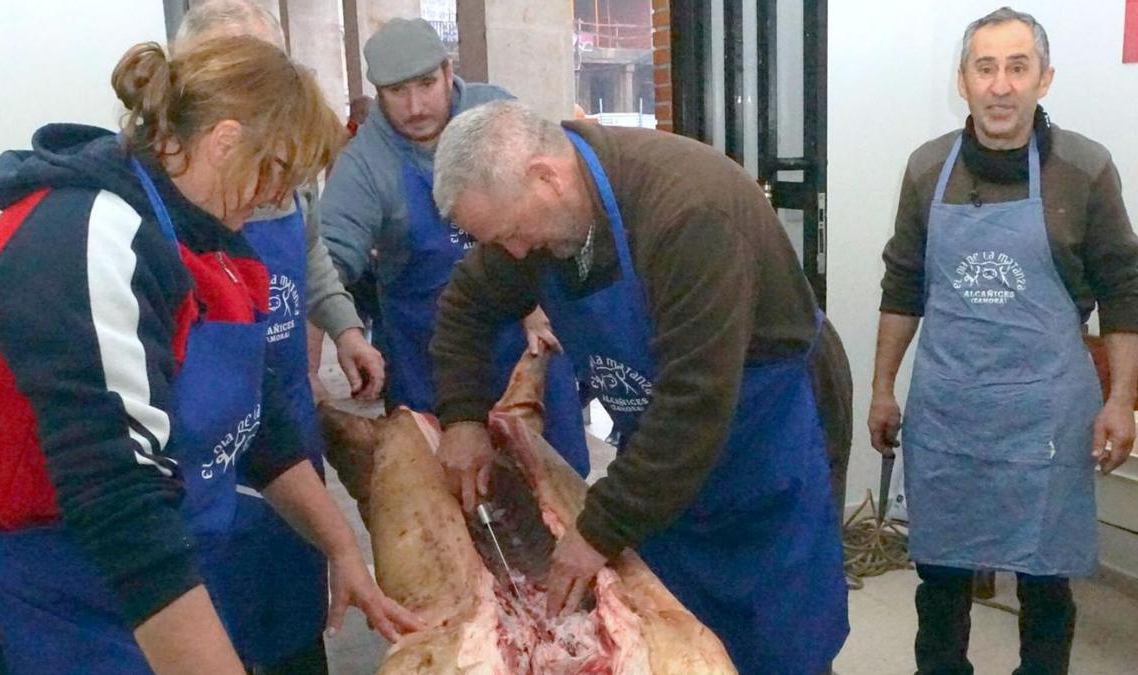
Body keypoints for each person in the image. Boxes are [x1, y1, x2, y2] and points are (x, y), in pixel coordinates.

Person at [0, 36, 419, 675]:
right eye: (277, 172)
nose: (277, 200)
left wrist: (343, 550)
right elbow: (122, 502)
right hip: (48, 572)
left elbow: (263, 423)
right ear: (224, 142)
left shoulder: (217, 239)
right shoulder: (86, 242)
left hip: (151, 550)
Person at [428, 100, 851, 675]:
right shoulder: (534, 226)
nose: (515, 253)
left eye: (513, 233)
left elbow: (695, 402)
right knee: (668, 634)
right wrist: (461, 417)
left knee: (780, 645)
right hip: (664, 457)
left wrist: (599, 527)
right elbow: (464, 307)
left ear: (545, 176)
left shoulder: (687, 211)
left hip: (764, 441)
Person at [868, 8, 1138, 675]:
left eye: (1018, 67)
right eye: (985, 67)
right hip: (950, 415)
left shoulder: (1085, 169)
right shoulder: (928, 168)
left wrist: (1122, 400)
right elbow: (903, 286)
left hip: (1045, 421)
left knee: (1046, 580)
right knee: (941, 580)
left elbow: (1123, 293)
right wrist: (880, 387)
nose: (1001, 85)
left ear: (1044, 78)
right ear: (963, 80)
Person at [170, 3, 384, 673]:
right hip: (195, 473)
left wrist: (344, 327)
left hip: (281, 423)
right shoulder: (138, 236)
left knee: (294, 623)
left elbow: (312, 254)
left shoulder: (280, 183)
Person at [319, 18, 590, 478]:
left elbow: (555, 205)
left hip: (521, 341)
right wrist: (339, 339)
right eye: (397, 91)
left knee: (554, 484)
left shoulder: (498, 114)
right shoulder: (364, 164)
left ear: (448, 72)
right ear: (378, 94)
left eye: (426, 84)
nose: (416, 105)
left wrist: (541, 301)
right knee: (445, 489)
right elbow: (324, 262)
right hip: (424, 354)